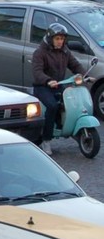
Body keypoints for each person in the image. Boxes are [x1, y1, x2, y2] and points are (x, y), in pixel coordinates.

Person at [32, 23, 86, 155]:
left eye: (62, 39)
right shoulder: (40, 53)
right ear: (50, 38)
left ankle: (72, 129)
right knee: (52, 106)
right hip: (42, 87)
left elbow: (75, 65)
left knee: (73, 103)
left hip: (59, 84)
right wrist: (48, 80)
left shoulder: (65, 51)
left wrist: (86, 75)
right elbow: (37, 72)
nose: (60, 41)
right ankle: (46, 140)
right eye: (57, 39)